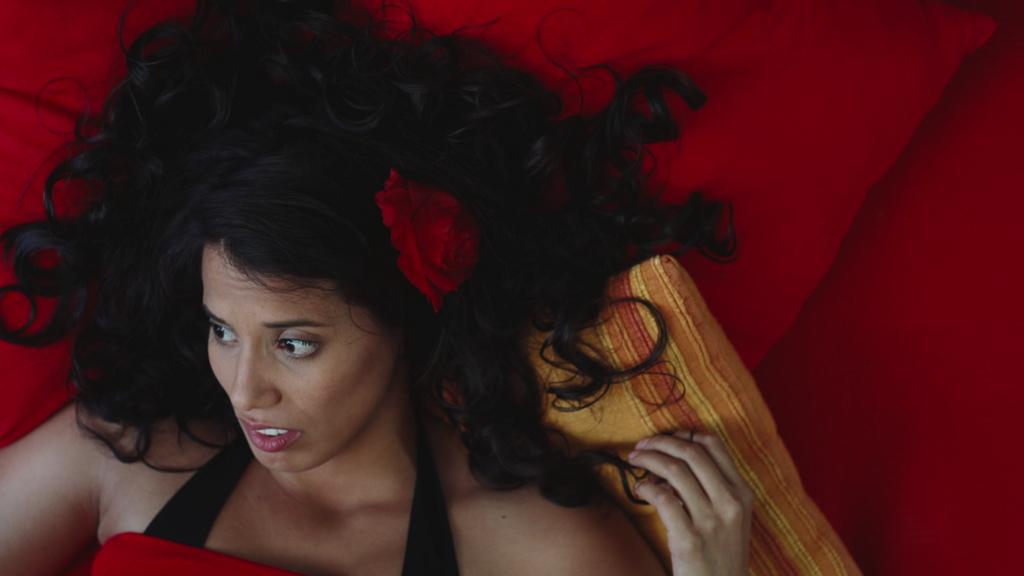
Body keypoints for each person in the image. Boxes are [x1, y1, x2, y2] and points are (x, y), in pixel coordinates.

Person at [0, 0, 751, 574]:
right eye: (222, 330)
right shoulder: (127, 455)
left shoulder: (534, 549)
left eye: (295, 344)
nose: (244, 389)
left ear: (404, 319)